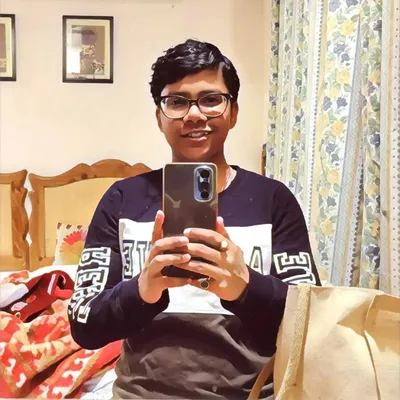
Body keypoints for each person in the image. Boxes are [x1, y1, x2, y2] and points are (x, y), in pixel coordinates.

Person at [68, 39, 321, 399]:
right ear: (159, 117)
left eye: (211, 99)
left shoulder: (273, 200)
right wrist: (142, 290)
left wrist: (245, 287)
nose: (194, 115)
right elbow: (84, 325)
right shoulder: (122, 199)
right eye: (176, 102)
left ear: (233, 112)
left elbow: (311, 324)